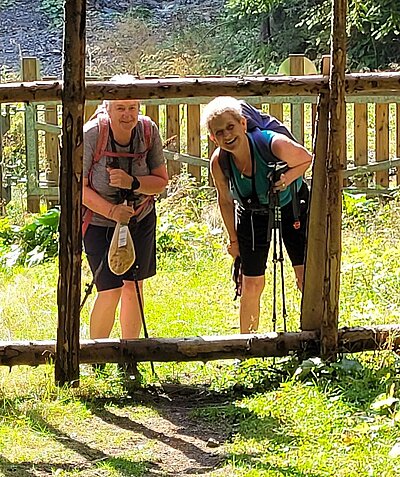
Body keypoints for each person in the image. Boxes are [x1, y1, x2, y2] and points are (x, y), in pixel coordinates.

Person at [202, 96, 312, 334]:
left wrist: (286, 179)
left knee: (306, 276)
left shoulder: (272, 144)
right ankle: (248, 349)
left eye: (230, 127)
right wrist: (233, 241)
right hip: (251, 211)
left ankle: (314, 338)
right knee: (251, 283)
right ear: (212, 138)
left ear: (243, 124)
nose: (227, 136)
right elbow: (225, 200)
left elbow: (305, 158)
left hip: (291, 203)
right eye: (219, 133)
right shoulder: (219, 162)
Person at [83, 74, 168, 341]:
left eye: (132, 107)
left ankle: (129, 353)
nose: (127, 114)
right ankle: (97, 358)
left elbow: (161, 182)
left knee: (134, 287)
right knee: (109, 289)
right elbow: (76, 187)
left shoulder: (147, 131)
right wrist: (111, 211)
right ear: (107, 108)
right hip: (98, 221)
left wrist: (132, 183)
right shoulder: (92, 135)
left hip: (139, 218)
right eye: (120, 107)